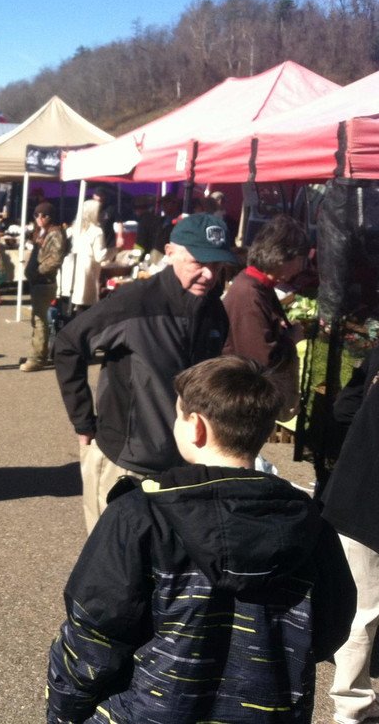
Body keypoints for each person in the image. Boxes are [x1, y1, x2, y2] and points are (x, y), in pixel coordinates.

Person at [46, 355, 355, 724]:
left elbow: (93, 635)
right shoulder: (306, 520)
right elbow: (332, 625)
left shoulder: (141, 515)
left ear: (196, 427)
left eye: (178, 414)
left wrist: (65, 712)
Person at [53, 213, 234, 533]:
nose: (209, 274)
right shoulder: (134, 302)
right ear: (170, 252)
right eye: (198, 262)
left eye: (218, 265)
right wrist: (82, 420)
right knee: (112, 565)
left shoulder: (215, 311)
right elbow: (68, 344)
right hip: (125, 463)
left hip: (185, 465)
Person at [324, 348, 379, 724]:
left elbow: (344, 409)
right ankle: (351, 711)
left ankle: (353, 707)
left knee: (362, 609)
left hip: (354, 493)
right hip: (365, 501)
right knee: (364, 611)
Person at [222, 213, 310, 420]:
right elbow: (259, 359)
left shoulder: (257, 286)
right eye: (299, 259)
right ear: (282, 256)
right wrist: (290, 339)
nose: (300, 266)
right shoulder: (250, 293)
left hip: (243, 394)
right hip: (242, 399)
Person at [21, 201, 66, 372]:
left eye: (44, 215)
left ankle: (37, 358)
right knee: (38, 319)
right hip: (38, 281)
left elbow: (55, 260)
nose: (39, 218)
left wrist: (37, 272)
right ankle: (40, 354)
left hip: (44, 282)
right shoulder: (42, 232)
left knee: (40, 321)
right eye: (37, 215)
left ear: (50, 217)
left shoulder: (55, 234)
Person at [63, 199, 110, 314]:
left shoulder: (73, 229)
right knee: (85, 306)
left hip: (70, 268)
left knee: (69, 304)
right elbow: (100, 256)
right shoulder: (97, 231)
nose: (102, 215)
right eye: (100, 212)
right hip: (86, 272)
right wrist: (115, 250)